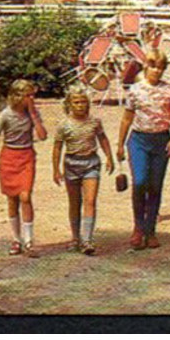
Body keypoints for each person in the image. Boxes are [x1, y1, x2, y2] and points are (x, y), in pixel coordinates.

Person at [116, 51, 170, 249]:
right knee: (140, 181)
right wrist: (120, 143)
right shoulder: (135, 90)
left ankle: (150, 230)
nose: (157, 71)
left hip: (161, 139)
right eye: (153, 66)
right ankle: (138, 227)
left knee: (155, 185)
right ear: (146, 67)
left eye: (161, 67)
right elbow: (127, 117)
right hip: (139, 140)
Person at [0, 78, 49, 256]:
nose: (31, 99)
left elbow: (43, 136)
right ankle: (16, 239)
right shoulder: (6, 114)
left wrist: (33, 114)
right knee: (12, 198)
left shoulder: (33, 113)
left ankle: (29, 241)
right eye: (28, 96)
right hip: (9, 156)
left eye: (33, 96)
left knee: (25, 196)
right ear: (17, 96)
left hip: (26, 156)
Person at [52, 85, 115, 255]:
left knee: (90, 200)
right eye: (76, 102)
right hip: (71, 163)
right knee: (74, 202)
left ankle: (87, 239)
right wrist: (56, 169)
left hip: (91, 163)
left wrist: (109, 157)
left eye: (83, 102)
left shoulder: (95, 122)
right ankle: (75, 237)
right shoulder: (63, 125)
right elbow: (57, 147)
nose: (80, 106)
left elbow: (103, 139)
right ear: (70, 104)